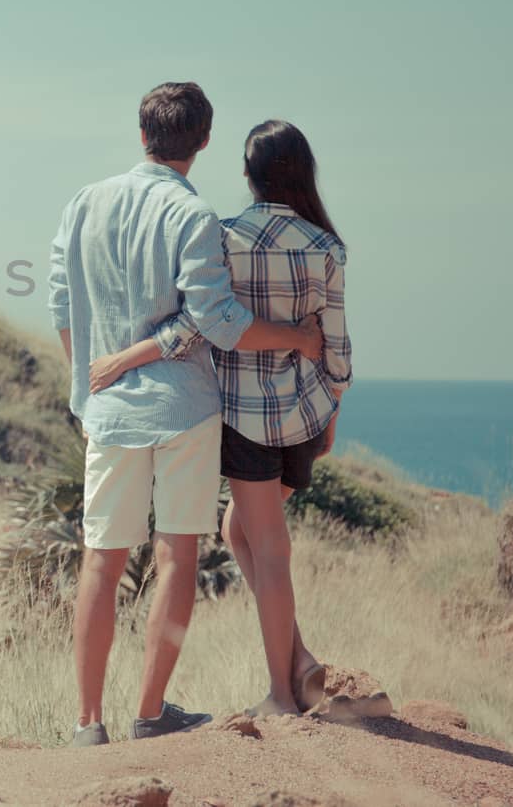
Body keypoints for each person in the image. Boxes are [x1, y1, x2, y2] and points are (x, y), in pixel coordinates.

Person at [48, 84, 323, 747]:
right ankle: (149, 710)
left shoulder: (85, 202)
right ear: (203, 141)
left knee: (100, 561)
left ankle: (87, 722)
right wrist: (297, 337)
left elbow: (62, 306)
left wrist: (91, 386)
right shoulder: (192, 214)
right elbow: (217, 322)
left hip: (109, 410)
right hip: (183, 409)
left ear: (143, 132)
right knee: (176, 556)